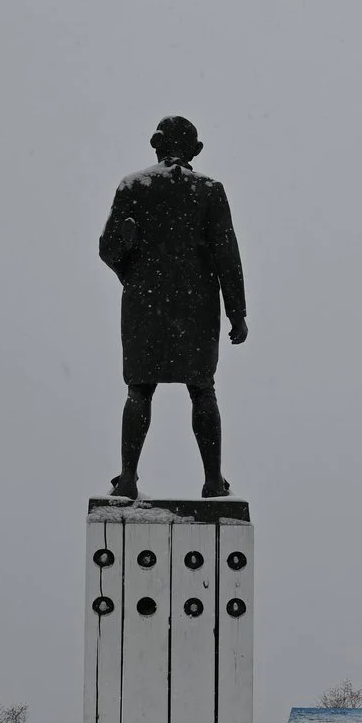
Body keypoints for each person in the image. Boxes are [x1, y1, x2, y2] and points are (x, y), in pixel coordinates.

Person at [98, 115, 248, 499]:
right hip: (196, 303)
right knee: (202, 389)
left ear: (156, 144)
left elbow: (108, 248)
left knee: (139, 389)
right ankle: (213, 481)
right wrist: (237, 311)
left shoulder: (134, 187)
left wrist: (129, 264)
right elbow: (226, 256)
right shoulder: (209, 191)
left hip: (145, 301)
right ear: (195, 149)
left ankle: (128, 478)